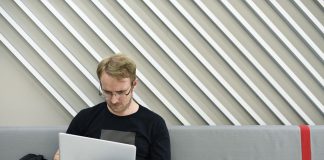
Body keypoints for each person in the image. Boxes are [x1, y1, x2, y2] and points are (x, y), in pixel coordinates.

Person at [53, 54, 170, 160]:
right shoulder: (85, 118)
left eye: (121, 92)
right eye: (107, 92)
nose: (114, 100)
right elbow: (63, 154)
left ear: (134, 84)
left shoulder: (154, 124)